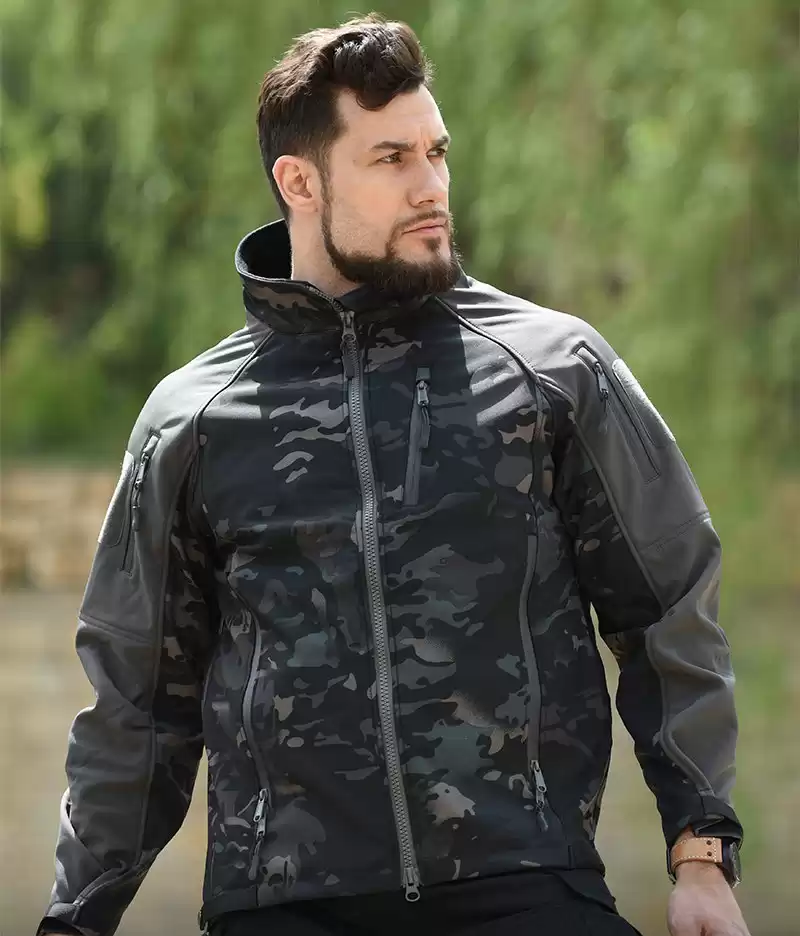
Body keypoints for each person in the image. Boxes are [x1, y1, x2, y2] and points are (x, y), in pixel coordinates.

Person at [39, 14, 751, 936]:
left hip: (527, 888)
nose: (431, 187)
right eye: (391, 159)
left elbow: (669, 605)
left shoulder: (554, 372)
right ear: (299, 182)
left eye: (436, 152)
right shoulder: (194, 420)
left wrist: (702, 852)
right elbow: (136, 709)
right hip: (283, 906)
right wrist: (74, 917)